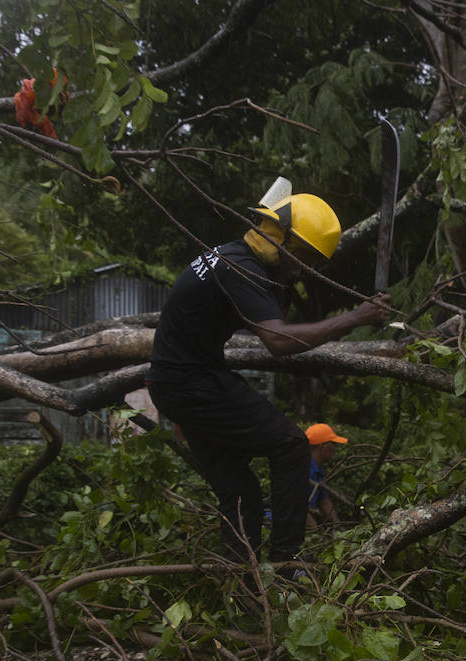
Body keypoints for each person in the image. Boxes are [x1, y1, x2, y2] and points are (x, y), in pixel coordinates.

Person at [146, 193, 390, 564]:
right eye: (305, 258)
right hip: (192, 382)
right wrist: (356, 318)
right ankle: (286, 562)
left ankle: (242, 584)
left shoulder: (235, 256)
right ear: (284, 241)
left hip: (175, 383)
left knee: (239, 490)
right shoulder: (239, 268)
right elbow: (278, 340)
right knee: (291, 445)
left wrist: (285, 279)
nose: (305, 268)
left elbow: (278, 311)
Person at [304, 422, 347, 526]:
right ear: (322, 445)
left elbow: (324, 502)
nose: (334, 449)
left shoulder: (319, 469)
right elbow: (296, 506)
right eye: (333, 444)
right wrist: (315, 532)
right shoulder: (303, 468)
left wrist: (340, 529)